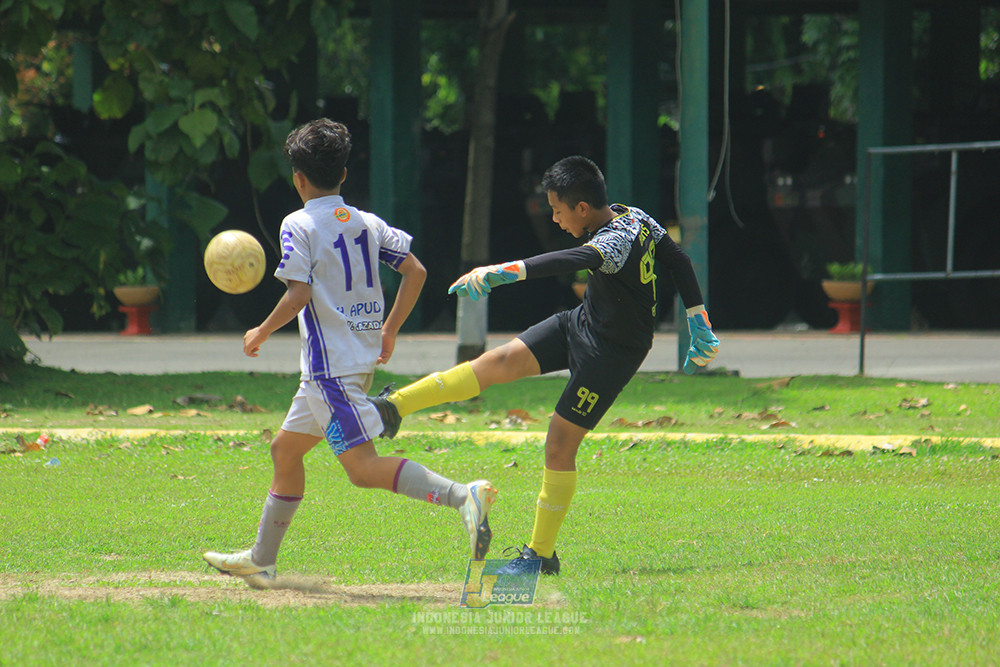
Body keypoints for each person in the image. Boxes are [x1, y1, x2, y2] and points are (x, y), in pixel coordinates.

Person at [370, 155, 718, 575]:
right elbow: (677, 259)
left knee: (558, 443)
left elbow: (568, 261)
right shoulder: (635, 215)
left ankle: (540, 557)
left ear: (582, 209)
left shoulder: (611, 241)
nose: (554, 218)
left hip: (613, 352)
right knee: (496, 361)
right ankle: (394, 406)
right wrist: (698, 316)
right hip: (582, 323)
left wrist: (502, 271)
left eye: (557, 210)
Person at [204, 119, 496, 585]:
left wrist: (260, 329)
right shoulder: (367, 222)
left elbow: (298, 295)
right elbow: (416, 271)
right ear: (343, 175)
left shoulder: (297, 224)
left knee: (361, 470)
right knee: (285, 451)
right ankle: (262, 558)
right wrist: (390, 330)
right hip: (347, 366)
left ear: (298, 179)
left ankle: (464, 496)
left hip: (330, 374)